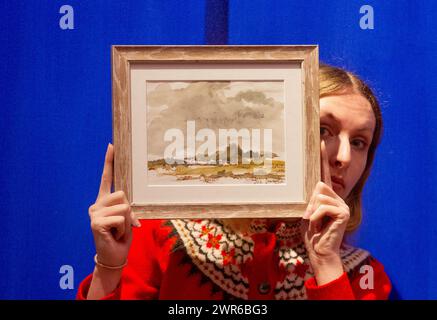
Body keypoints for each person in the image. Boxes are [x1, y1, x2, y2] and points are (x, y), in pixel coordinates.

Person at [77, 64, 392, 300]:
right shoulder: (163, 235)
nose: (345, 157)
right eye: (325, 130)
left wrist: (326, 262)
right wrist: (108, 266)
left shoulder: (363, 276)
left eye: (361, 142)